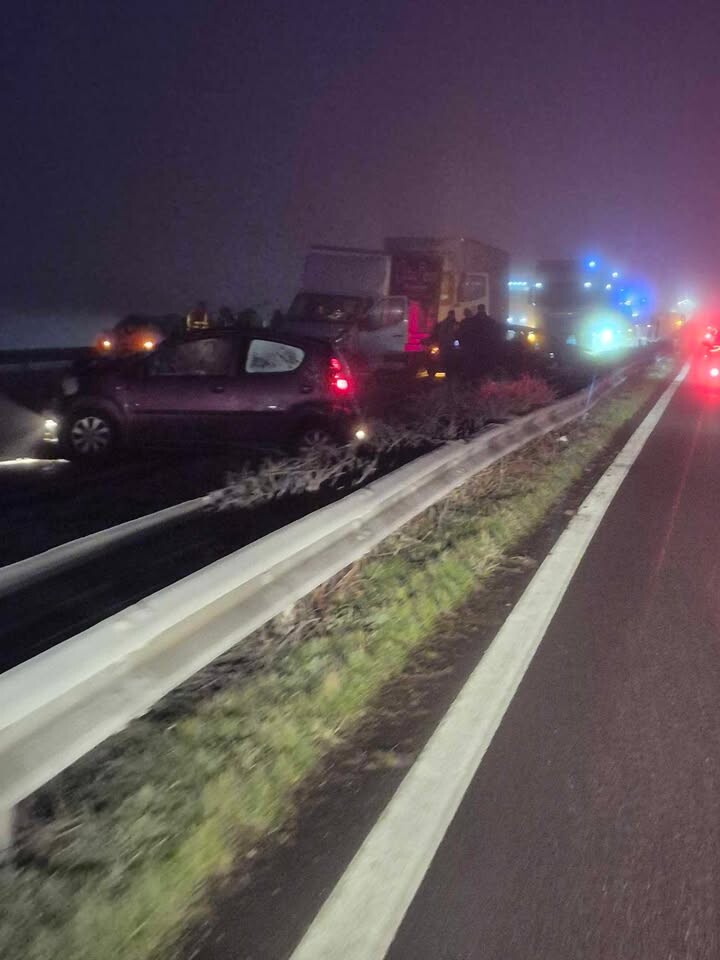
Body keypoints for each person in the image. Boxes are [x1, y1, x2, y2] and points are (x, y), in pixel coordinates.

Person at [460, 303, 501, 378]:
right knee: (487, 372)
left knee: (475, 373)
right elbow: (496, 336)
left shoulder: (471, 321)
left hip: (474, 350)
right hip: (488, 350)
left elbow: (466, 335)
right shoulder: (491, 321)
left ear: (478, 309)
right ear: (484, 309)